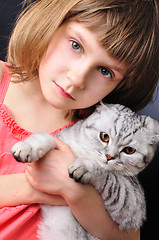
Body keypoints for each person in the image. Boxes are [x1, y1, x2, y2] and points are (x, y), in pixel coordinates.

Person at [0, 0, 158, 239]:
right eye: (76, 45)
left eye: (105, 71)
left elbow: (129, 236)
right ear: (52, 23)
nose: (76, 79)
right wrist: (35, 188)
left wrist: (76, 193)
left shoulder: (100, 134)